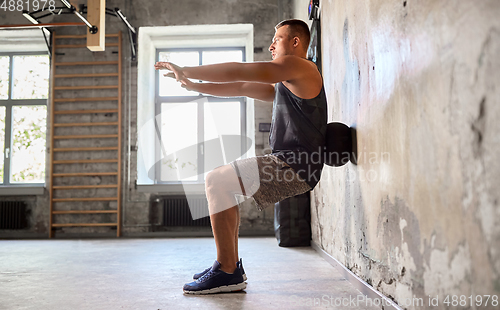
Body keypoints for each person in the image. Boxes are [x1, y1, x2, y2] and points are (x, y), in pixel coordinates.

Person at [154, 19, 327, 294]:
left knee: (217, 181)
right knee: (220, 181)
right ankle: (228, 265)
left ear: (295, 42)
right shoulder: (287, 82)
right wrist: (192, 85)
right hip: (288, 163)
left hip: (296, 166)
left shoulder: (301, 67)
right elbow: (242, 86)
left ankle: (227, 271)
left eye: (278, 39)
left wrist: (187, 68)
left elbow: (243, 69)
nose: (271, 45)